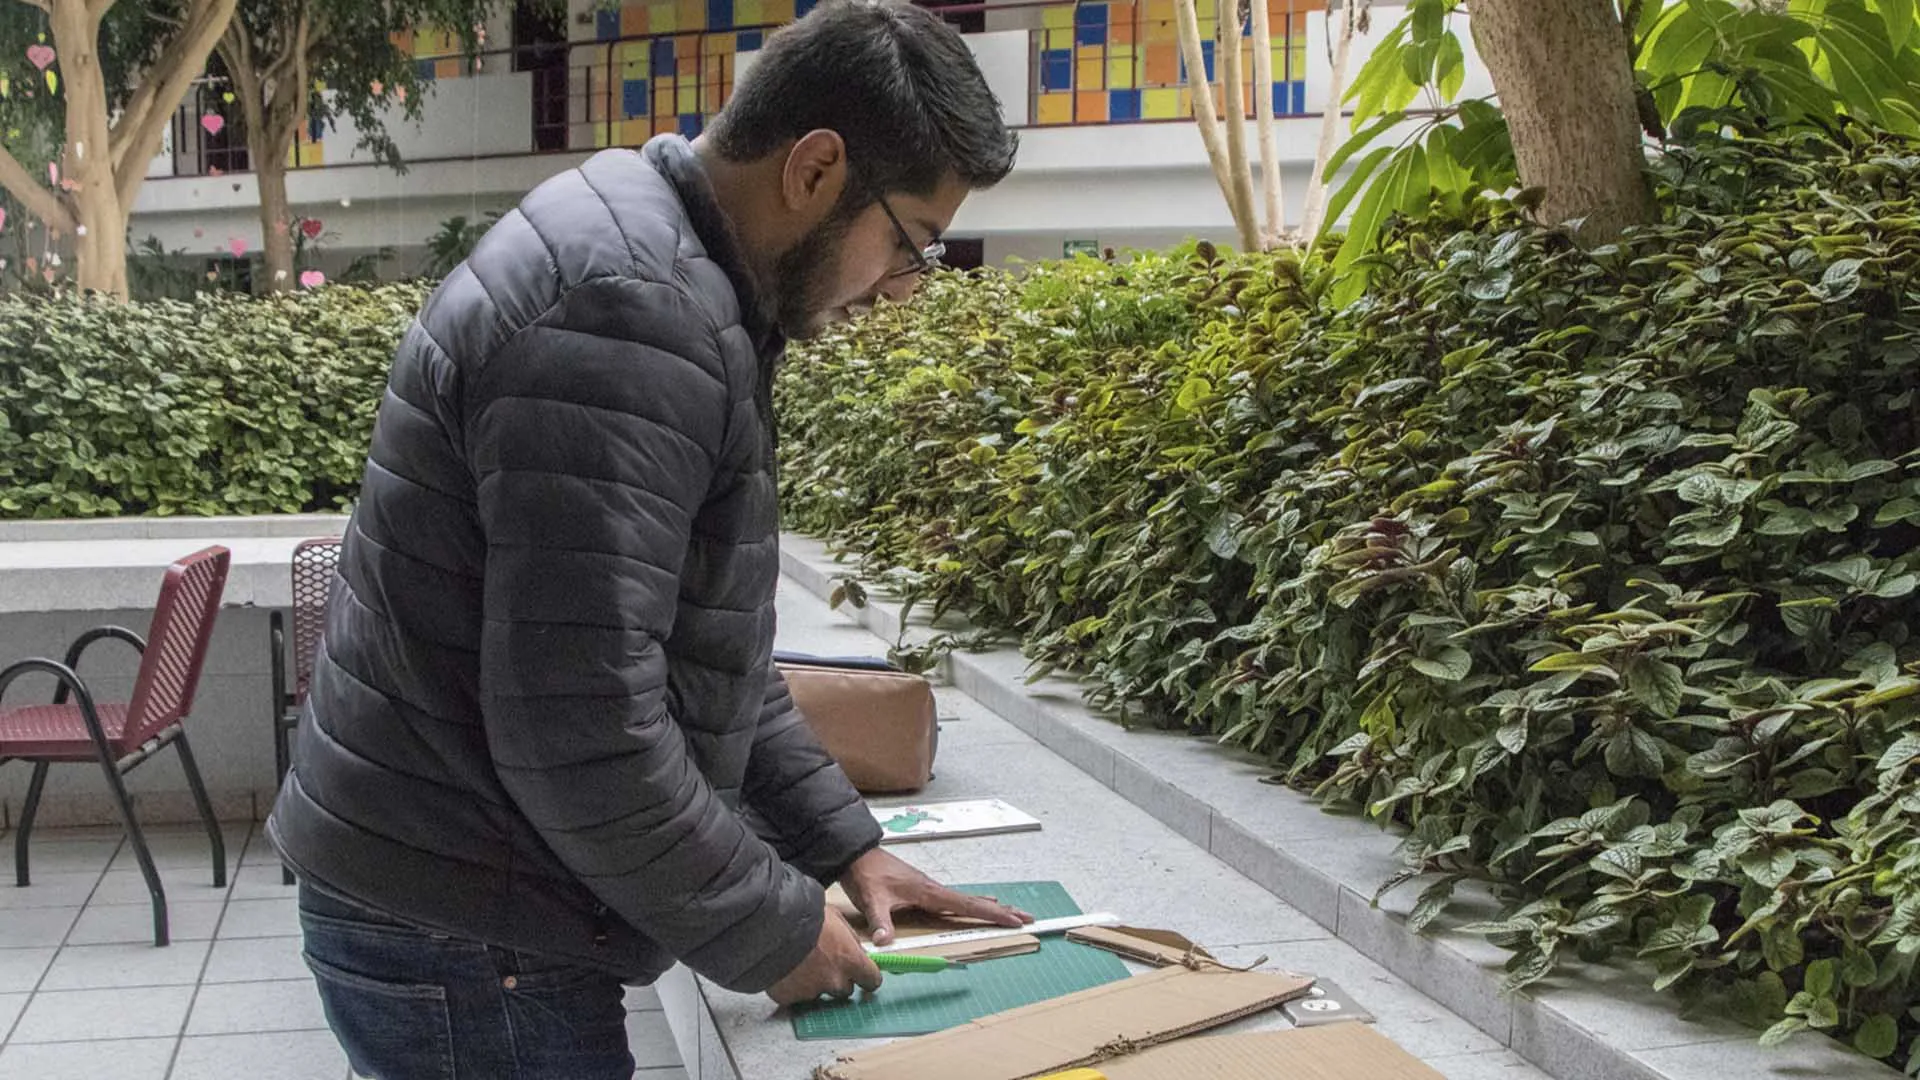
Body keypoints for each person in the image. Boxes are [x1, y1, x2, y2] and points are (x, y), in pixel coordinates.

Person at [267, 3, 1030, 1075]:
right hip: (467, 926)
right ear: (815, 169)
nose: (901, 292)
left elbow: (698, 655)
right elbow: (581, 722)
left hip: (461, 891)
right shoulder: (631, 312)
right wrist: (773, 926)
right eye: (910, 244)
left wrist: (846, 846)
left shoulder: (667, 262)